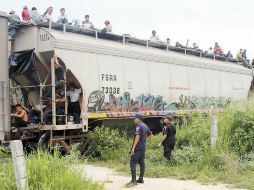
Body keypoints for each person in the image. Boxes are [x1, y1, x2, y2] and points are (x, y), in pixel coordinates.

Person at [128, 113, 153, 186]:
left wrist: (133, 148)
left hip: (138, 148)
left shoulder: (138, 126)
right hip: (143, 147)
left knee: (132, 163)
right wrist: (144, 139)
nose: (134, 119)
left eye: (135, 118)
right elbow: (151, 135)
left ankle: (133, 181)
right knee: (142, 163)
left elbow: (137, 137)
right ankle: (141, 179)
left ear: (138, 118)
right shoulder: (145, 125)